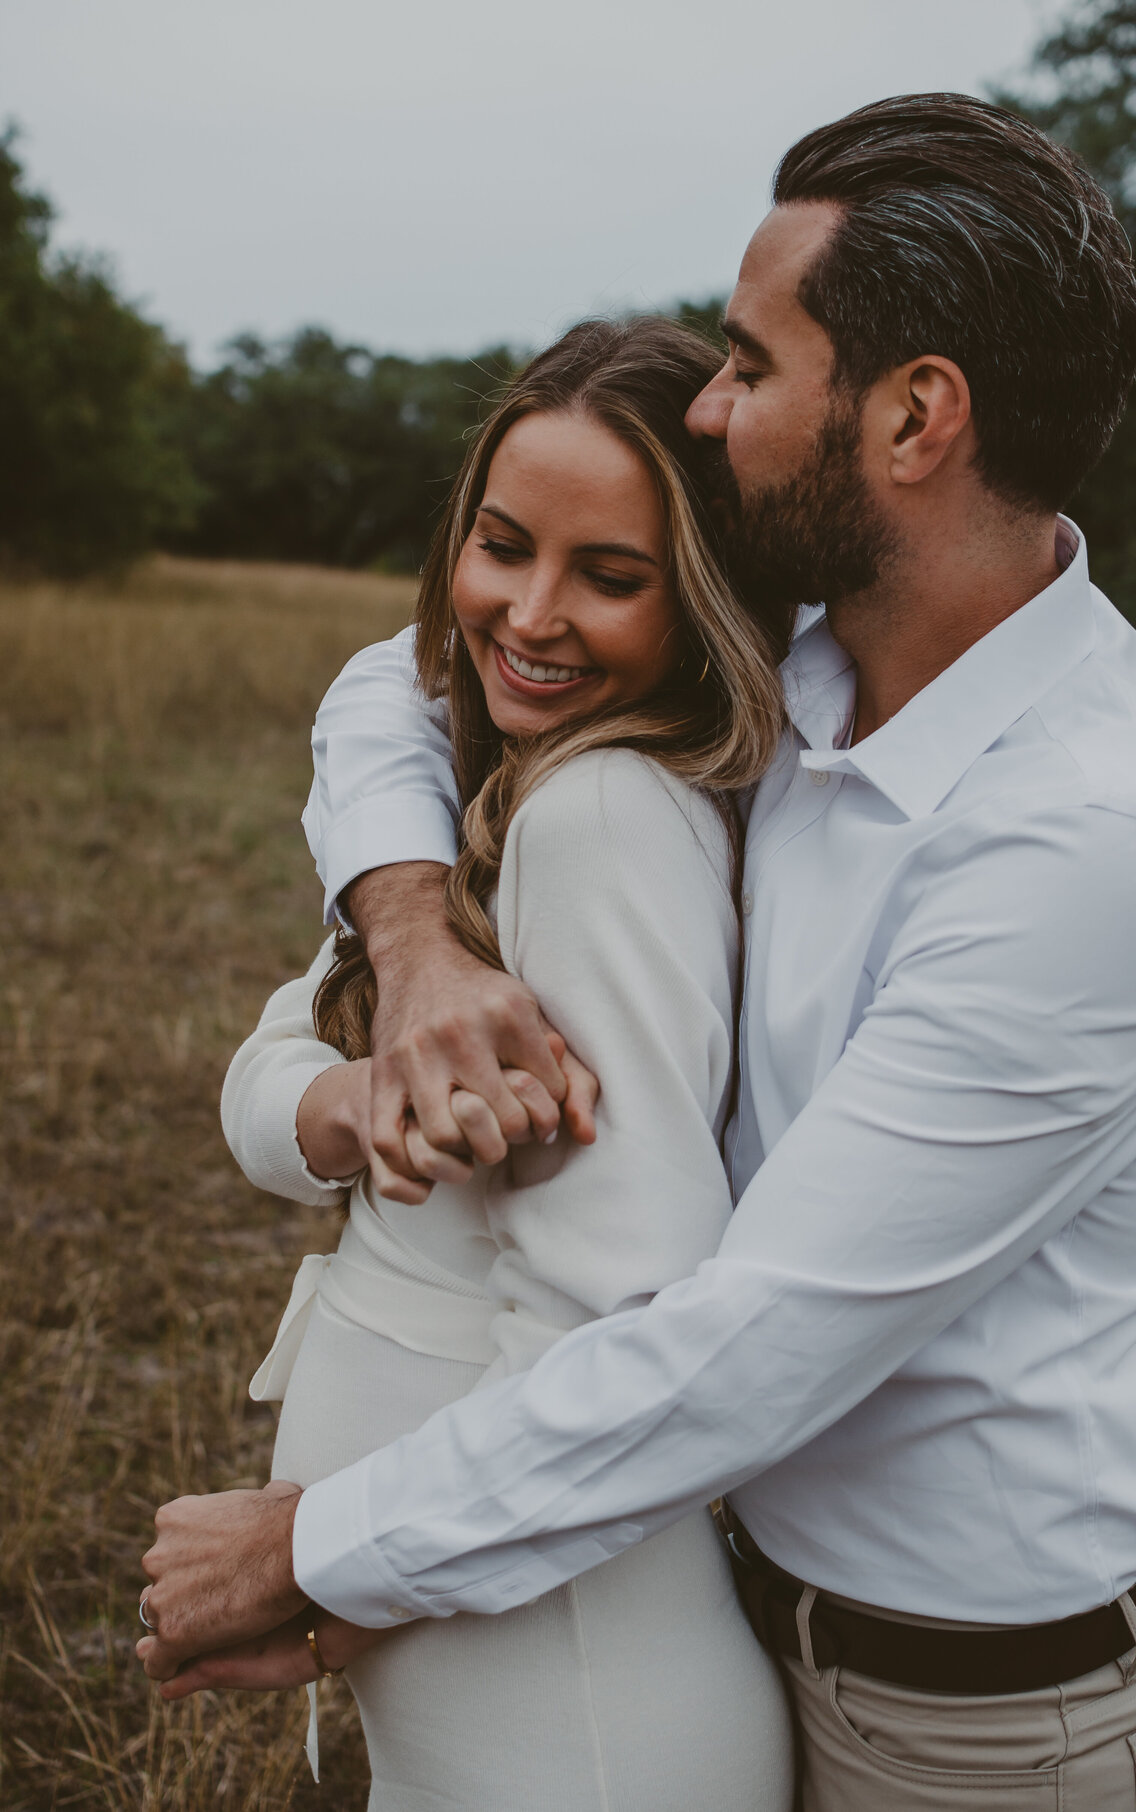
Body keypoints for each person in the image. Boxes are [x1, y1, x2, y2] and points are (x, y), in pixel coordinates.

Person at [140, 93, 1136, 1811]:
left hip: (979, 1716)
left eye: (751, 362)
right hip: (734, 1591)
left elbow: (742, 1343)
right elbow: (395, 680)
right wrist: (409, 939)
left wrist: (329, 1551)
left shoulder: (1090, 844)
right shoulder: (829, 653)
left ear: (916, 416)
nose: (713, 409)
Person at [174, 316, 797, 1810]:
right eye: (502, 545)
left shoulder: (598, 822)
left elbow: (616, 1312)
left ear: (701, 598)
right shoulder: (491, 779)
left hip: (562, 1687)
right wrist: (356, 1096)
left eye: (611, 575)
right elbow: (264, 1085)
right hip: (482, 1649)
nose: (528, 612)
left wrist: (336, 1550)